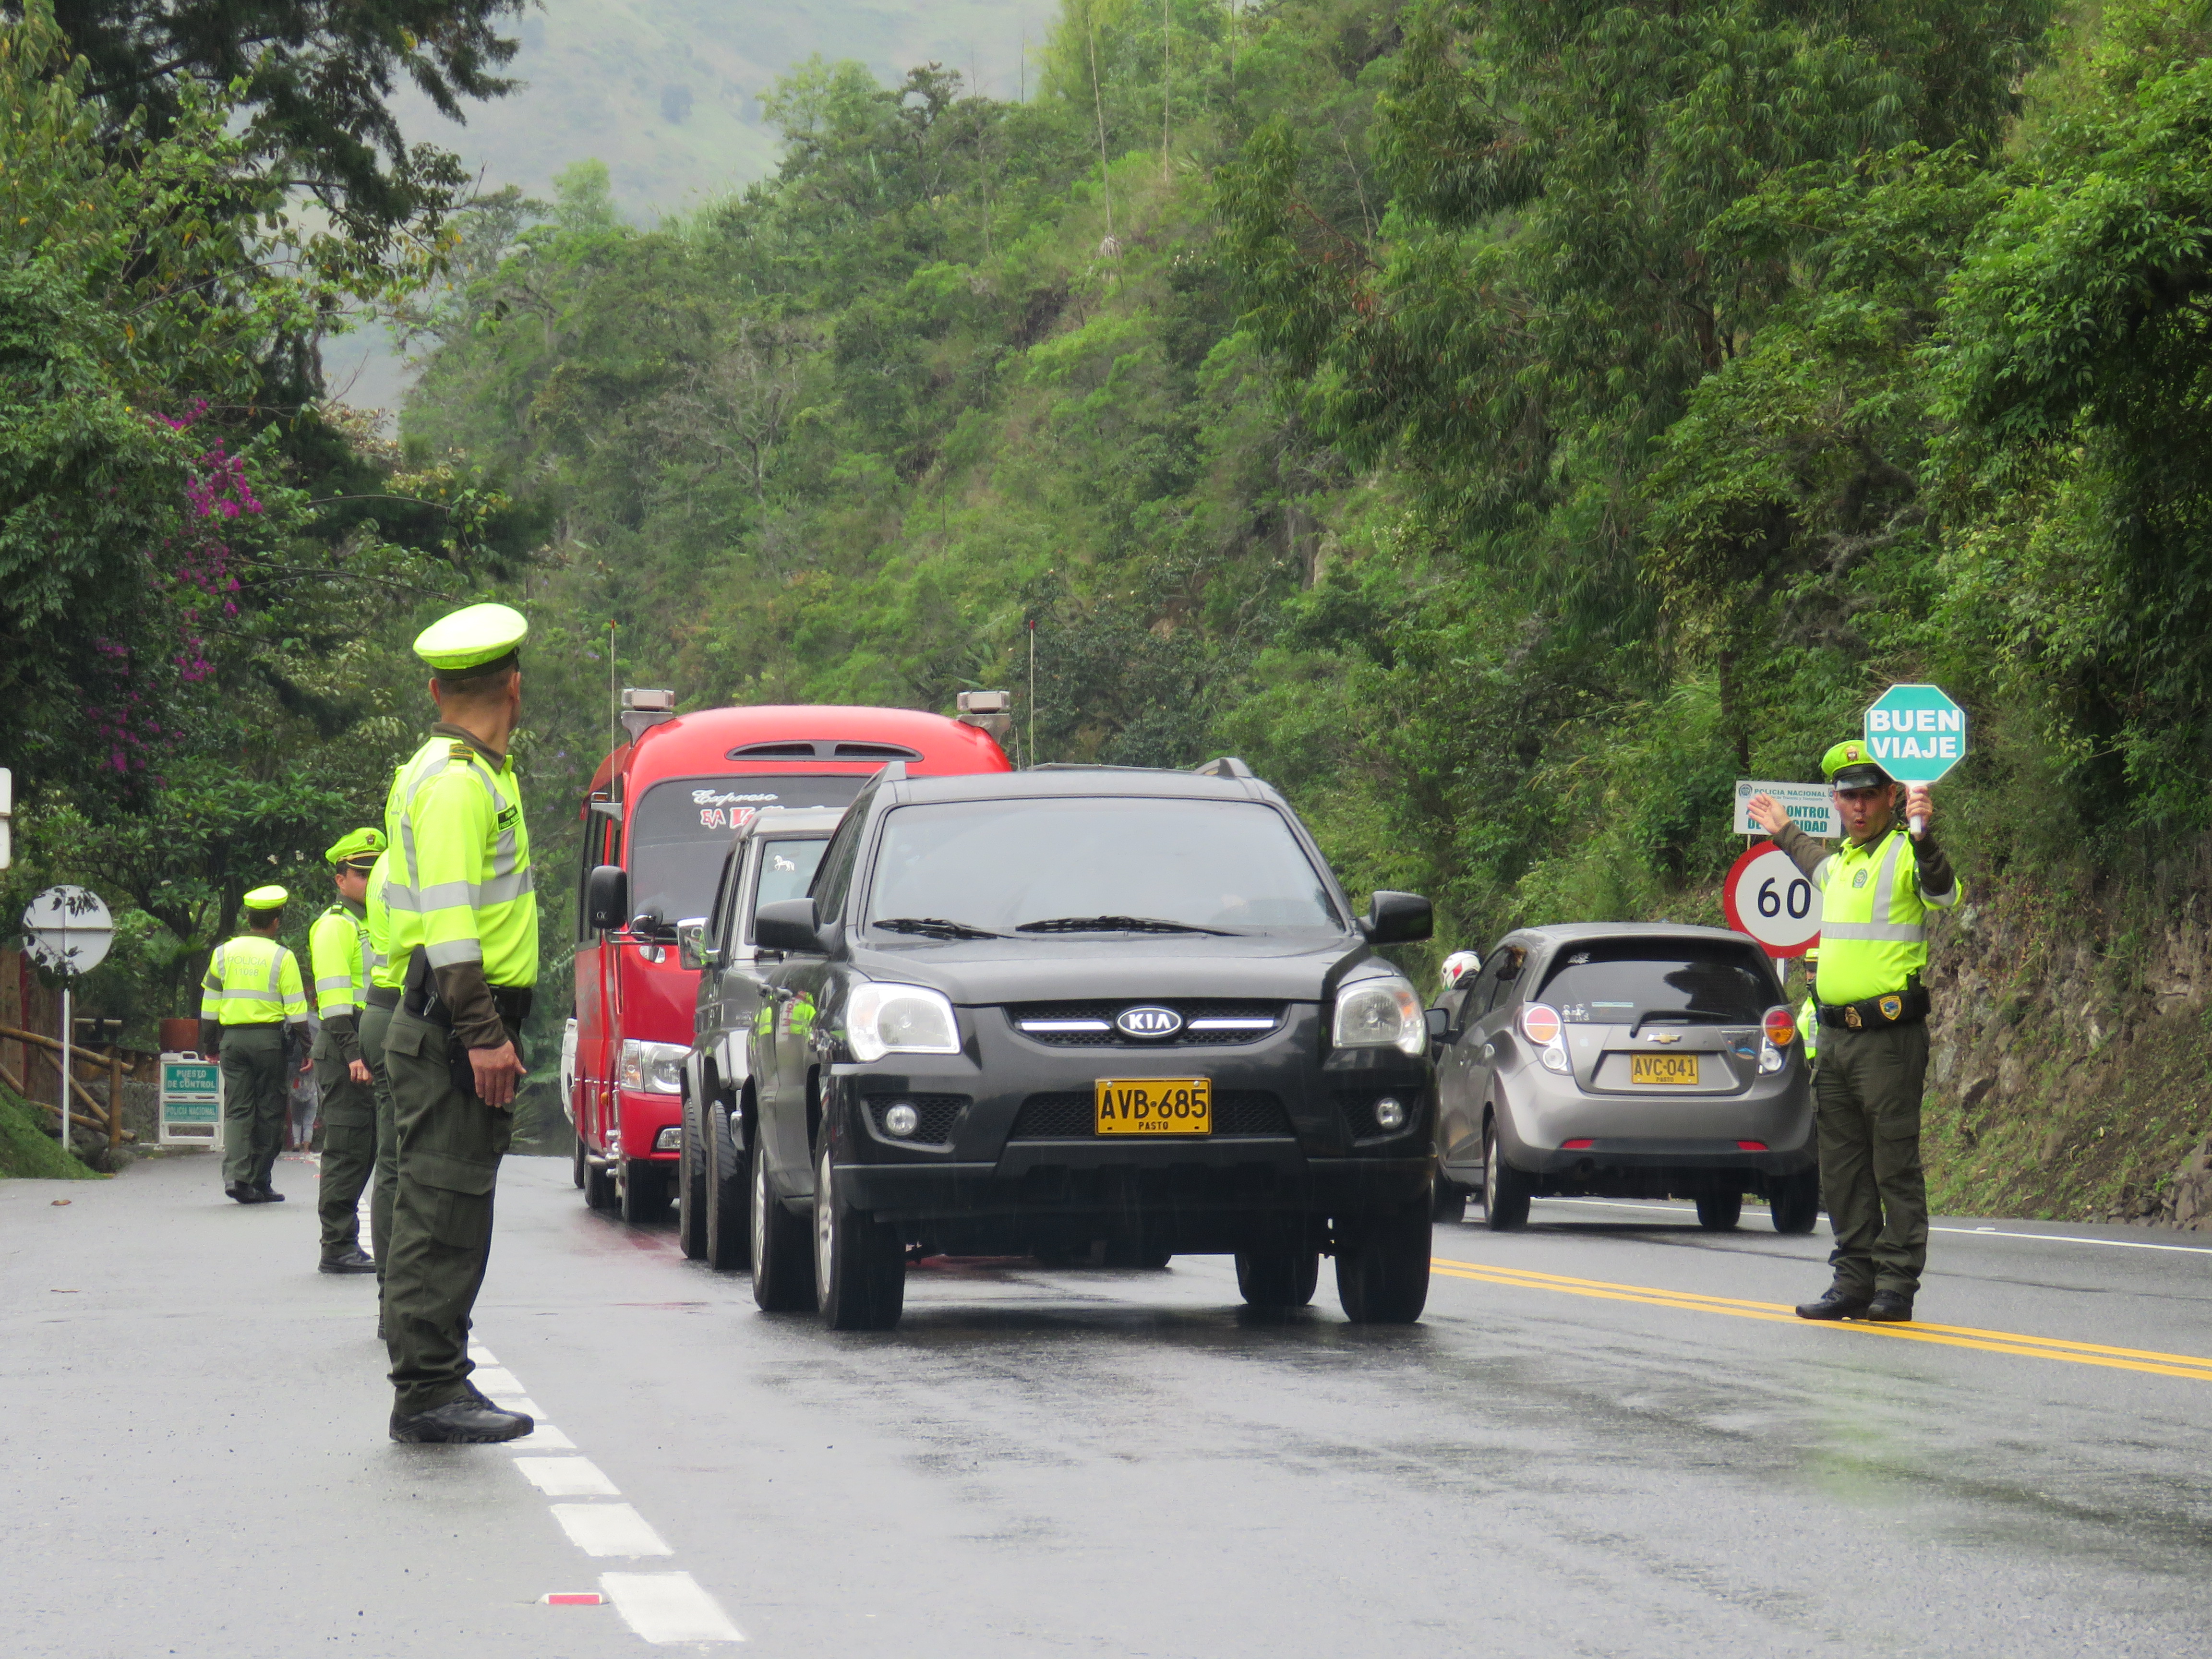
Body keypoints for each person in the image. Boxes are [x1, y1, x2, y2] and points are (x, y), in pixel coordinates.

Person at [379, 602, 538, 1444]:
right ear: (515, 685)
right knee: (441, 1209)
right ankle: (427, 1390)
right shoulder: (454, 784)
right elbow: (449, 927)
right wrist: (481, 1032)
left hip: (452, 1022)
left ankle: (440, 1377)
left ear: (439, 688)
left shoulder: (474, 773)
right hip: (452, 1025)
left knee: (449, 1205)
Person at [1747, 740, 1961, 1324]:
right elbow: (1811, 862)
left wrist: (1923, 836)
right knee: (1840, 1169)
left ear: (1892, 796)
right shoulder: (1840, 865)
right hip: (1837, 1043)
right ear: (1835, 801)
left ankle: (1895, 1285)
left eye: (1869, 795)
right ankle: (1853, 1280)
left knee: (1893, 1164)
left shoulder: (1904, 853)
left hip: (1889, 1040)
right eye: (1848, 796)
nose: (1859, 807)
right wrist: (1783, 829)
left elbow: (1942, 890)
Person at [198, 886, 309, 1204]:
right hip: (268, 1042)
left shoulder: (223, 953)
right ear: (276, 921)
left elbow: (210, 1004)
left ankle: (236, 1176)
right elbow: (297, 1009)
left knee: (238, 1109)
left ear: (248, 918)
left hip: (232, 1041)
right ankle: (260, 1180)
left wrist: (210, 1044)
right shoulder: (282, 956)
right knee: (270, 1109)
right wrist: (307, 1047)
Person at [310, 830, 385, 1274]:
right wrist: (355, 1054)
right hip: (345, 1048)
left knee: (368, 1148)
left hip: (363, 1047)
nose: (370, 878)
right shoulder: (336, 926)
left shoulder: (373, 923)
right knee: (347, 1149)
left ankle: (344, 1241)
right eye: (361, 872)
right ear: (340, 880)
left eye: (376, 870)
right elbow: (335, 1000)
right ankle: (336, 1244)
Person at [360, 848, 401, 1337]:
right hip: (413, 1013)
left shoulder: (386, 863)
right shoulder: (425, 853)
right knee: (423, 1164)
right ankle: (408, 1302)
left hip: (380, 1008)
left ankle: (392, 1299)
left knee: (392, 1163)